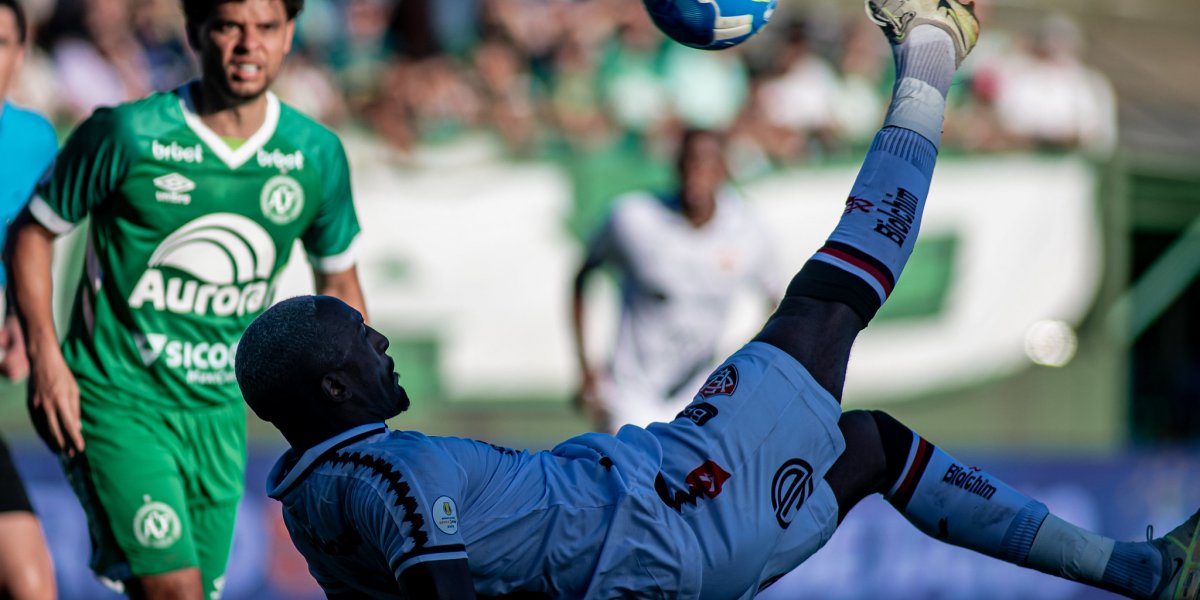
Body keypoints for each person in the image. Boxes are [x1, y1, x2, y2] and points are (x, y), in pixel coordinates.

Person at [237, 2, 1200, 599]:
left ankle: (1140, 573)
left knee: (872, 449)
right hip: (670, 507)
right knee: (827, 303)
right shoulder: (381, 479)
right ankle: (935, 41)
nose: (382, 346)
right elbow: (441, 583)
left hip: (679, 539)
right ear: (330, 387)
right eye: (362, 343)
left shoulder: (318, 508)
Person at [6, 1, 367, 598]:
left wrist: (349, 420)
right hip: (117, 399)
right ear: (196, 32)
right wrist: (47, 358)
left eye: (267, 28)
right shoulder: (128, 134)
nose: (248, 44)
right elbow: (32, 233)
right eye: (229, 26)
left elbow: (341, 286)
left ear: (289, 36)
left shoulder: (314, 155)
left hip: (218, 415)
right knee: (172, 589)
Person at [572, 128, 780, 432]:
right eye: (688, 161)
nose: (696, 172)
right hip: (629, 394)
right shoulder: (634, 218)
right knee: (629, 476)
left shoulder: (750, 231)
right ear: (675, 166)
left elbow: (776, 301)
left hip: (700, 396)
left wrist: (744, 370)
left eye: (706, 163)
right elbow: (582, 276)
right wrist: (585, 368)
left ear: (724, 170)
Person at [0, 1, 58, 598]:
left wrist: (21, 323)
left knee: (31, 582)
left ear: (20, 53)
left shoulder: (34, 140)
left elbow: (29, 254)